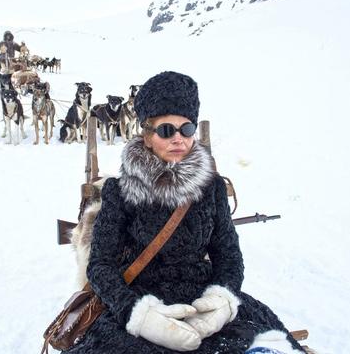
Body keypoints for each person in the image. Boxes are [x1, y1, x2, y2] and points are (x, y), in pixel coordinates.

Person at [62, 71, 305, 354]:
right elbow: (100, 265)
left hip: (201, 303)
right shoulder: (120, 190)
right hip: (142, 303)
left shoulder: (211, 188)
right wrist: (138, 315)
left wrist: (222, 300)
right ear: (148, 136)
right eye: (167, 130)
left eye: (186, 129)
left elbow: (228, 254)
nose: (178, 138)